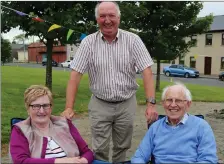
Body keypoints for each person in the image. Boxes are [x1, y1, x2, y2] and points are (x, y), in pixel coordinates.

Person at [61, 1, 158, 163]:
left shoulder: (133, 40)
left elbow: (147, 71)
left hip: (126, 103)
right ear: (97, 19)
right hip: (100, 103)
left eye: (111, 15)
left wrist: (151, 104)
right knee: (100, 148)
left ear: (118, 18)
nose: (107, 20)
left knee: (122, 146)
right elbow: (75, 74)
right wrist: (69, 107)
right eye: (102, 16)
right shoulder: (88, 43)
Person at [131, 83, 218, 163]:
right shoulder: (155, 128)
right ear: (163, 103)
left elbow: (208, 160)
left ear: (188, 104)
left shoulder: (202, 127)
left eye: (178, 100)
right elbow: (139, 157)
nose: (173, 105)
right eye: (169, 100)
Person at [10, 85, 94, 164]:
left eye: (46, 105)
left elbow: (87, 152)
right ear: (28, 109)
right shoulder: (20, 130)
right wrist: (59, 161)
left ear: (51, 107)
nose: (42, 111)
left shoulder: (65, 124)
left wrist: (82, 161)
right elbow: (20, 161)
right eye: (36, 106)